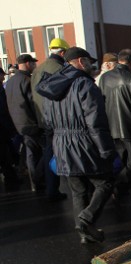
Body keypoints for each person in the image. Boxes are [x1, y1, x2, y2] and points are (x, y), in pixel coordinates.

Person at [36, 47, 115, 244]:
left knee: (78, 189)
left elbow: (47, 121)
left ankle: (84, 234)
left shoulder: (51, 87)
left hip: (61, 142)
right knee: (104, 183)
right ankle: (86, 219)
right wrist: (106, 149)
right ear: (80, 62)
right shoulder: (85, 85)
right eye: (89, 61)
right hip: (84, 143)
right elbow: (95, 121)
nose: (92, 65)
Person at [99, 48, 131, 205]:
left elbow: (101, 101)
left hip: (111, 127)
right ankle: (119, 187)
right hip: (130, 127)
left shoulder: (104, 78)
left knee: (124, 162)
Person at [31, 37, 69, 201]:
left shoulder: (39, 69)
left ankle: (42, 182)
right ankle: (52, 189)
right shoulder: (59, 69)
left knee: (48, 152)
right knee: (54, 153)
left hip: (43, 118)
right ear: (62, 52)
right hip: (56, 120)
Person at [5, 54, 45, 193]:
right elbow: (34, 104)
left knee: (28, 152)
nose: (35, 65)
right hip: (30, 123)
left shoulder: (10, 81)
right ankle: (37, 180)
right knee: (36, 153)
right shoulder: (27, 80)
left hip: (17, 123)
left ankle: (31, 177)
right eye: (33, 63)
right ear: (28, 64)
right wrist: (40, 121)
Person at [0, 67, 20, 190]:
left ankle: (11, 176)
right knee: (4, 155)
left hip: (3, 128)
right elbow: (3, 110)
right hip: (2, 128)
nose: (4, 77)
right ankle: (10, 178)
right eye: (2, 75)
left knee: (6, 154)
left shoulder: (2, 88)